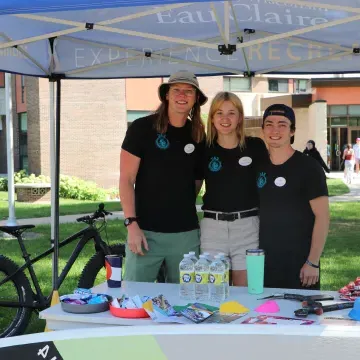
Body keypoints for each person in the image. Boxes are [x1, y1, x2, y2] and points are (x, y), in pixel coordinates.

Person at [120, 70, 207, 283]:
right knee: (135, 299)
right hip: (145, 232)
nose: (182, 95)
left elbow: (196, 182)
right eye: (176, 90)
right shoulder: (142, 128)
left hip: (185, 235)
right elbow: (126, 179)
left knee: (186, 303)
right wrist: (132, 224)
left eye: (189, 91)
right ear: (166, 94)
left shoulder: (198, 135)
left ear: (196, 99)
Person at [256, 104, 329, 290]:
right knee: (265, 317)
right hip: (264, 263)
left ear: (292, 131)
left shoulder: (309, 167)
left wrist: (312, 262)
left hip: (301, 265)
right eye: (269, 124)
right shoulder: (258, 166)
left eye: (282, 124)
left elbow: (323, 217)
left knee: (300, 318)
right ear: (263, 129)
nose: (275, 130)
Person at [199, 92, 268, 286]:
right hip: (213, 227)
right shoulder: (204, 148)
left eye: (231, 112)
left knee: (245, 292)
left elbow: (265, 187)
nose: (225, 118)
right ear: (212, 118)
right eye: (219, 112)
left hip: (247, 226)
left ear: (239, 118)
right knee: (212, 291)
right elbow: (193, 187)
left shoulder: (255, 146)